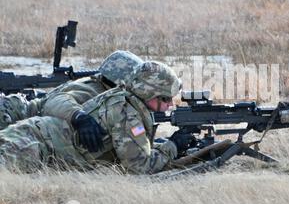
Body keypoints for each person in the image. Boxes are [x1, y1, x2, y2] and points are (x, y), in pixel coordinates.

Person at [0, 60, 195, 174]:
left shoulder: (127, 103)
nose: (170, 104)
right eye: (165, 98)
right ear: (148, 93)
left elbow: (130, 150)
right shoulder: (127, 112)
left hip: (35, 139)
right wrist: (172, 147)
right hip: (31, 143)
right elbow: (140, 167)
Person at [0, 50, 144, 152]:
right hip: (14, 113)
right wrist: (80, 117)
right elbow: (56, 100)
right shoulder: (94, 90)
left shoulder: (99, 86)